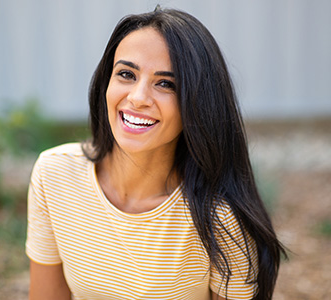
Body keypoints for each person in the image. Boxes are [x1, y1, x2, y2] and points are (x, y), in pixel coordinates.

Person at [26, 7, 286, 300]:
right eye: (126, 74)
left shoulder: (220, 218)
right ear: (105, 83)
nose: (137, 98)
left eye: (166, 84)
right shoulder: (55, 174)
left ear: (197, 104)